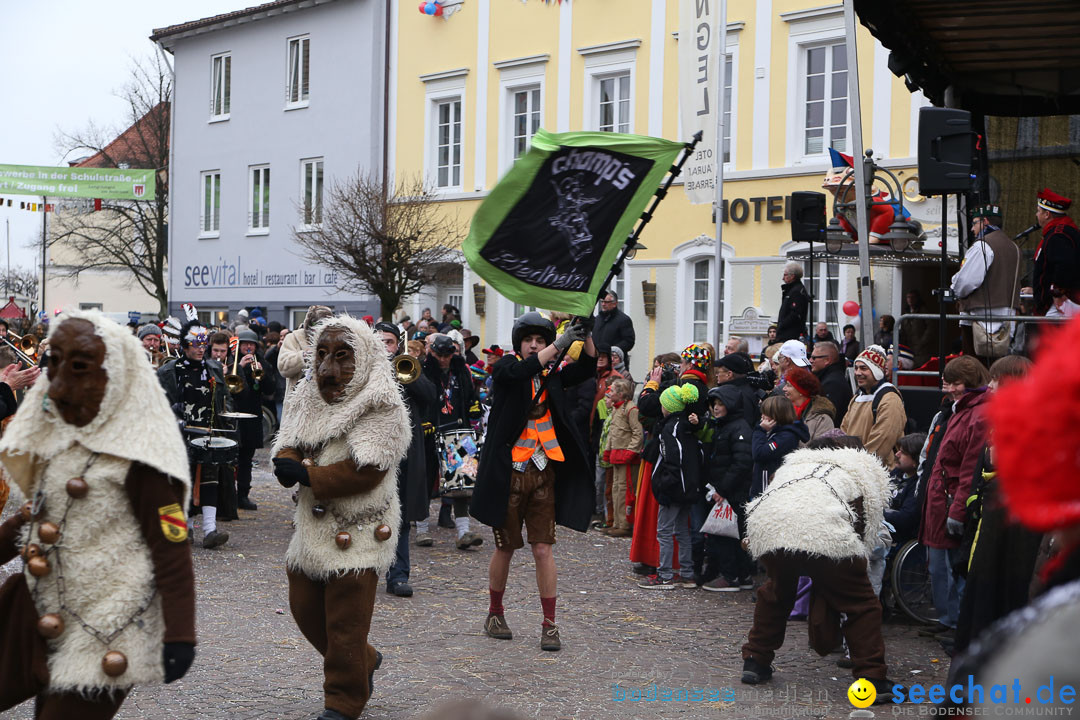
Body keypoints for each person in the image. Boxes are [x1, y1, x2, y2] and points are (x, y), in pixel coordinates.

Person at [0, 312, 194, 719]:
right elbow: (32, 520)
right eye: (55, 364)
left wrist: (179, 633)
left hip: (106, 630)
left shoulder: (142, 458)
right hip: (38, 612)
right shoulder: (62, 442)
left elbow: (171, 547)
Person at [271, 314, 410, 720]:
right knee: (304, 606)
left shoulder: (383, 405)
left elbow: (366, 471)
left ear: (364, 358)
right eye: (322, 355)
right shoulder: (308, 394)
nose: (329, 369)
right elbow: (290, 439)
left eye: (342, 356)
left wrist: (309, 475)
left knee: (346, 621)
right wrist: (287, 462)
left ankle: (344, 701)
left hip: (362, 528)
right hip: (314, 526)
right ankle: (363, 659)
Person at [471, 312, 596, 652]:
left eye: (540, 340)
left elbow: (586, 369)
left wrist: (586, 334)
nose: (534, 345)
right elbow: (519, 371)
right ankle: (495, 613)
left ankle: (550, 625)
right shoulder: (506, 370)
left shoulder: (551, 374)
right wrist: (559, 343)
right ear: (519, 344)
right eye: (529, 340)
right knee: (506, 547)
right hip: (510, 473)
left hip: (544, 471)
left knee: (543, 548)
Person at [740, 445, 894, 703]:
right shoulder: (859, 474)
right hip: (824, 527)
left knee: (776, 590)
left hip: (771, 525)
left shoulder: (793, 466)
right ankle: (872, 678)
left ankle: (755, 660)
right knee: (861, 603)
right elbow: (863, 530)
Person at [919, 355, 991, 643]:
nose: (945, 386)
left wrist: (958, 509)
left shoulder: (978, 414)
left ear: (966, 384)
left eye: (951, 381)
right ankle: (948, 619)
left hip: (951, 499)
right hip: (941, 497)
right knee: (938, 565)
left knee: (954, 567)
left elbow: (971, 467)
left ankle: (958, 623)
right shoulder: (959, 410)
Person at [158, 320, 233, 548]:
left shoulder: (213, 368)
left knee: (211, 478)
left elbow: (224, 397)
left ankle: (210, 530)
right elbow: (156, 402)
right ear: (184, 345)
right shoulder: (169, 371)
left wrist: (227, 416)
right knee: (185, 480)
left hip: (208, 431)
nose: (201, 348)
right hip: (181, 434)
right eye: (196, 344)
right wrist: (171, 411)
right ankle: (186, 527)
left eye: (204, 344)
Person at [375, 322, 437, 598]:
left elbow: (430, 396)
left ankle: (398, 574)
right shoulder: (360, 368)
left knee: (399, 516)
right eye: (380, 342)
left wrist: (406, 371)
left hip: (402, 452)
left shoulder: (407, 366)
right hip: (370, 451)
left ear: (397, 345)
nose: (385, 348)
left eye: (389, 342)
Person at [637, 383, 702, 590]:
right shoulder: (686, 425)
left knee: (664, 531)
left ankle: (664, 574)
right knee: (682, 530)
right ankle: (687, 573)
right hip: (689, 487)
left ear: (668, 407)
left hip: (674, 488)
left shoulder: (670, 429)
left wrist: (664, 486)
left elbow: (671, 459)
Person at [421, 334, 483, 550]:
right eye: (439, 355)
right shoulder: (423, 370)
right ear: (432, 353)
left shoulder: (461, 370)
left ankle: (464, 532)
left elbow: (470, 397)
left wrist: (474, 407)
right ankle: (421, 530)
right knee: (426, 479)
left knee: (463, 481)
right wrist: (423, 421)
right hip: (431, 431)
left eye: (448, 355)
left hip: (460, 431)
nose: (444, 360)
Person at [700, 385, 755, 592]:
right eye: (714, 404)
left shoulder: (738, 428)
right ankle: (742, 575)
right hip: (727, 490)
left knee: (726, 534)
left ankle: (730, 576)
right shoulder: (725, 426)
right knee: (735, 534)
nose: (716, 408)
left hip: (732, 492)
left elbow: (741, 462)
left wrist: (722, 489)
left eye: (720, 403)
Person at [952, 205, 1022, 363]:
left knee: (976, 367)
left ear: (985, 222)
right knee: (998, 366)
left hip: (979, 318)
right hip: (1006, 318)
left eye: (975, 223)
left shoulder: (982, 246)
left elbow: (965, 282)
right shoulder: (1014, 247)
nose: (972, 229)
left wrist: (953, 289)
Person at [840, 345, 907, 469]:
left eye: (864, 368)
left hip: (879, 472)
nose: (858, 373)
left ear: (876, 371)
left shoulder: (889, 398)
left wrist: (860, 466)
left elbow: (882, 440)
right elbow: (844, 431)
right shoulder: (857, 397)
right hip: (853, 467)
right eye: (856, 368)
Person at [230, 328, 274, 511]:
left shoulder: (261, 362)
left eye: (251, 344)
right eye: (245, 344)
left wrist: (261, 374)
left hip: (252, 415)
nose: (248, 347)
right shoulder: (232, 363)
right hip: (234, 414)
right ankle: (228, 494)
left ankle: (243, 495)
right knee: (232, 458)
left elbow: (270, 389)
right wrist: (240, 367)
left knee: (247, 458)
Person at [1024, 188, 1080, 316]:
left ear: (1047, 214)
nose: (1036, 215)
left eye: (1039, 211)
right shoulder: (1060, 232)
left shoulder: (1058, 235)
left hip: (1060, 306)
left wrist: (1057, 293)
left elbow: (1064, 266)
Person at [600, 378, 642, 538]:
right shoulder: (617, 409)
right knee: (616, 489)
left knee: (625, 490)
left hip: (626, 456)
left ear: (622, 393)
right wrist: (608, 450)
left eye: (614, 390)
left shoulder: (631, 409)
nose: (610, 393)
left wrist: (631, 452)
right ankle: (616, 523)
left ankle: (625, 523)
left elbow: (637, 433)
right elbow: (613, 432)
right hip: (617, 455)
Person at [750, 396, 809, 497]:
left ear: (776, 416)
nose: (762, 417)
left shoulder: (786, 437)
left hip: (768, 492)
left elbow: (759, 454)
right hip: (761, 487)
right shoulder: (774, 431)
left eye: (765, 414)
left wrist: (760, 430)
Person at [278, 305, 333, 399]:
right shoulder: (293, 338)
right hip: (298, 400)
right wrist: (303, 356)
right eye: (317, 326)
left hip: (326, 399)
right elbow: (283, 367)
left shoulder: (334, 340)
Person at [885, 432, 927, 550]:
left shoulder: (918, 485)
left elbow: (905, 518)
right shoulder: (897, 473)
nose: (897, 454)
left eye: (903, 452)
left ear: (916, 460)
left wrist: (877, 514)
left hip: (897, 538)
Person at [780, 367, 836, 443]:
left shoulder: (822, 419)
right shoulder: (784, 411)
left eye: (789, 385)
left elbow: (822, 450)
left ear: (801, 391)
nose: (784, 388)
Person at [809, 341, 852, 427]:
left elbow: (830, 418)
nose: (810, 361)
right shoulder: (827, 377)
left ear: (827, 360)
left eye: (814, 358)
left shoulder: (832, 383)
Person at [713, 352, 762, 427]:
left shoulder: (740, 394)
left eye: (718, 372)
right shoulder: (743, 389)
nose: (716, 375)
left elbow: (746, 424)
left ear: (729, 374)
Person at [592, 291, 636, 366]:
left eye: (606, 302)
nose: (603, 304)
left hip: (615, 363)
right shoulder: (597, 319)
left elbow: (629, 341)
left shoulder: (624, 320)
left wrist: (611, 351)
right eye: (602, 301)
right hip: (597, 361)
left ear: (615, 304)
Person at [899, 290, 936, 368]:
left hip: (922, 348)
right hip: (909, 346)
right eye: (908, 297)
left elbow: (931, 327)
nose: (910, 299)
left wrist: (922, 341)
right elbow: (903, 329)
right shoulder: (906, 312)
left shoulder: (923, 311)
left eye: (912, 297)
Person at [776, 262, 809, 342]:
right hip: (787, 333)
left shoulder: (797, 291)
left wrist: (781, 325)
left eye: (785, 275)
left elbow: (795, 314)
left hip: (790, 335)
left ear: (792, 276)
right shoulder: (791, 290)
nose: (783, 278)